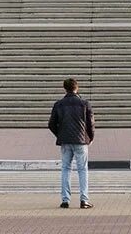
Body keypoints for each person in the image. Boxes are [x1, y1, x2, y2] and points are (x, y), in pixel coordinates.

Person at [48, 77, 95, 209]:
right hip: (81, 141)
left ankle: (65, 200)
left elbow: (51, 124)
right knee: (82, 169)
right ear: (76, 88)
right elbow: (90, 123)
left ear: (65, 88)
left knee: (65, 169)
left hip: (65, 141)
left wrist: (60, 134)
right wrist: (90, 137)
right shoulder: (84, 104)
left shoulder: (59, 104)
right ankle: (84, 200)